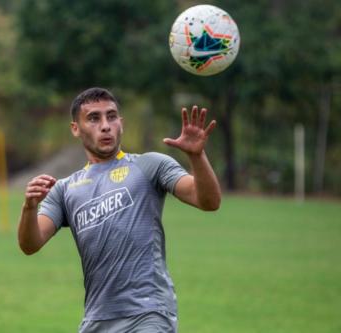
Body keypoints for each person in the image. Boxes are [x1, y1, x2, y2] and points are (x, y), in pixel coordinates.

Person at [18, 87, 221, 333]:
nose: (105, 125)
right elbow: (31, 244)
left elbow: (208, 201)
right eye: (94, 118)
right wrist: (29, 207)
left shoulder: (150, 165)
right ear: (75, 128)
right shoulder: (65, 189)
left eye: (111, 116)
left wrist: (197, 157)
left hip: (149, 312)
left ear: (121, 123)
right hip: (97, 318)